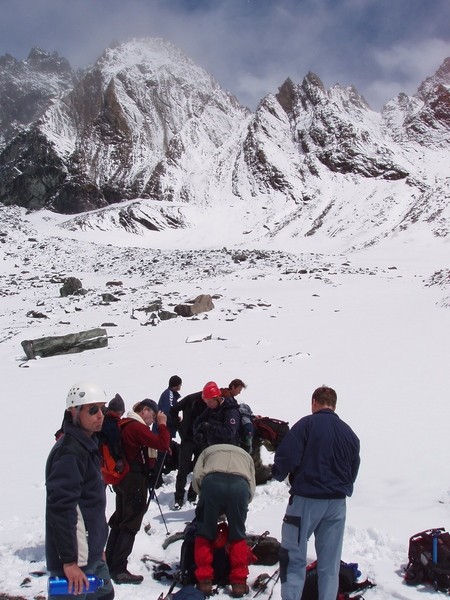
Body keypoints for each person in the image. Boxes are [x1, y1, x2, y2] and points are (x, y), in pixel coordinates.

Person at [272, 386, 360, 600]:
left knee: (294, 558)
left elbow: (287, 456)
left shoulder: (307, 425)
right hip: (337, 503)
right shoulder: (349, 433)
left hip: (306, 501)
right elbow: (354, 466)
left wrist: (278, 473)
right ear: (334, 405)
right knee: (330, 564)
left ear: (314, 402)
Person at [45, 381, 114, 600]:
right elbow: (61, 508)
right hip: (75, 562)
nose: (100, 415)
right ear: (74, 411)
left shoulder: (87, 444)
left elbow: (90, 504)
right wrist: (69, 562)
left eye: (102, 408)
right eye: (92, 410)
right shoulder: (70, 453)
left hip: (90, 555)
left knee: (105, 595)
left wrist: (98, 546)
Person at [105, 399, 170, 584]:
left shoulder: (124, 424)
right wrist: (163, 424)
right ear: (145, 410)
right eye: (153, 415)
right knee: (131, 522)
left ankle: (111, 562)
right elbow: (163, 443)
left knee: (121, 518)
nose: (153, 421)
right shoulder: (135, 427)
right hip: (133, 479)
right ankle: (119, 568)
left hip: (121, 478)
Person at [192, 443, 256, 598]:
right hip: (240, 486)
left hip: (212, 483)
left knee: (205, 533)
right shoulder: (245, 455)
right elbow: (252, 485)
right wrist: (242, 503)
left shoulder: (207, 450)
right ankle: (239, 583)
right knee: (237, 536)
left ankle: (205, 580)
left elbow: (197, 475)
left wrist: (202, 494)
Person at [170, 390, 206, 509]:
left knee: (198, 470)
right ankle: (179, 498)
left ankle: (192, 495)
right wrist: (178, 425)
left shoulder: (212, 403)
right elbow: (174, 409)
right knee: (183, 469)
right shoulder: (192, 398)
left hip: (202, 440)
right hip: (187, 439)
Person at [152, 375, 182, 488]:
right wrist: (176, 422)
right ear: (177, 385)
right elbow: (168, 412)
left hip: (163, 429)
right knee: (161, 456)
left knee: (162, 455)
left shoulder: (169, 394)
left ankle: (157, 478)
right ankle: (156, 480)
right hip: (163, 430)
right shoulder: (169, 394)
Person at [193, 381, 242, 450]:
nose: (208, 405)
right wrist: (197, 432)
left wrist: (211, 428)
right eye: (206, 402)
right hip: (212, 448)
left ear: (217, 399)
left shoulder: (231, 411)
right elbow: (199, 420)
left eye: (210, 402)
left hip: (228, 449)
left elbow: (229, 432)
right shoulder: (211, 408)